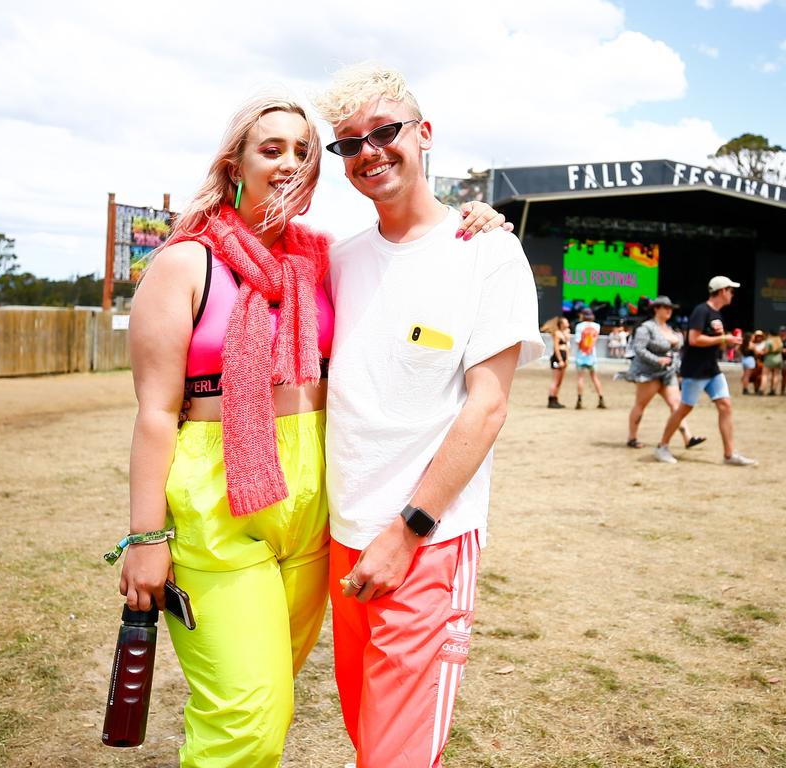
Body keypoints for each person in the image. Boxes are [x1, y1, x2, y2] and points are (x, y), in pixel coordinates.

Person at [113, 94, 506, 768]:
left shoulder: (321, 258)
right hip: (219, 494)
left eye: (304, 150)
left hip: (315, 495)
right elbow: (154, 412)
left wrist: (475, 220)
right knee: (249, 717)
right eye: (272, 149)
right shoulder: (184, 264)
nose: (291, 162)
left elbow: (406, 253)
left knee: (272, 693)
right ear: (233, 163)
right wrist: (147, 538)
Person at [313, 64, 545, 768]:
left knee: (395, 755)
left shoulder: (488, 254)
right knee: (366, 729)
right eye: (348, 144)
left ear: (424, 134)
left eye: (385, 132)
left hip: (426, 544)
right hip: (343, 538)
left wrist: (407, 533)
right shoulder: (338, 260)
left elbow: (489, 405)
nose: (369, 152)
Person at [653, 276, 756, 465]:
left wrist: (728, 342)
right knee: (685, 408)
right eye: (730, 290)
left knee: (725, 405)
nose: (732, 294)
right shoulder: (702, 311)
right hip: (695, 369)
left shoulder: (718, 315)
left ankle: (729, 454)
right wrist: (724, 339)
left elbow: (715, 342)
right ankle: (662, 447)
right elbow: (694, 339)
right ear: (722, 291)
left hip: (711, 368)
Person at [623, 295, 705, 450]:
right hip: (648, 373)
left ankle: (688, 437)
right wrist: (657, 360)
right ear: (656, 309)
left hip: (667, 373)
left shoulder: (671, 329)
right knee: (641, 404)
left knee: (677, 404)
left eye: (671, 308)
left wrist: (677, 368)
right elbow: (639, 349)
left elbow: (676, 352)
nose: (669, 311)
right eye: (666, 308)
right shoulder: (645, 328)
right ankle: (632, 438)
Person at [573, 306, 606, 409]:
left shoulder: (579, 326)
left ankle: (579, 399)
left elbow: (578, 341)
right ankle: (601, 398)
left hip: (581, 355)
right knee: (594, 378)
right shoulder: (597, 326)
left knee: (580, 378)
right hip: (592, 355)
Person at [541, 315, 571, 408]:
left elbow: (567, 347)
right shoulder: (557, 333)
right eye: (565, 322)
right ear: (561, 324)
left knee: (560, 381)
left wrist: (566, 359)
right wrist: (560, 360)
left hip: (564, 356)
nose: (567, 323)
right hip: (558, 357)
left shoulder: (565, 333)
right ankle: (551, 399)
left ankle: (555, 398)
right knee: (555, 380)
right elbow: (556, 348)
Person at [762, 327, 785, 396]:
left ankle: (762, 389)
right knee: (776, 375)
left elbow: (765, 351)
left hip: (769, 358)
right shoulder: (779, 341)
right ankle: (773, 389)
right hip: (778, 358)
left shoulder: (769, 341)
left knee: (765, 375)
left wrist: (761, 352)